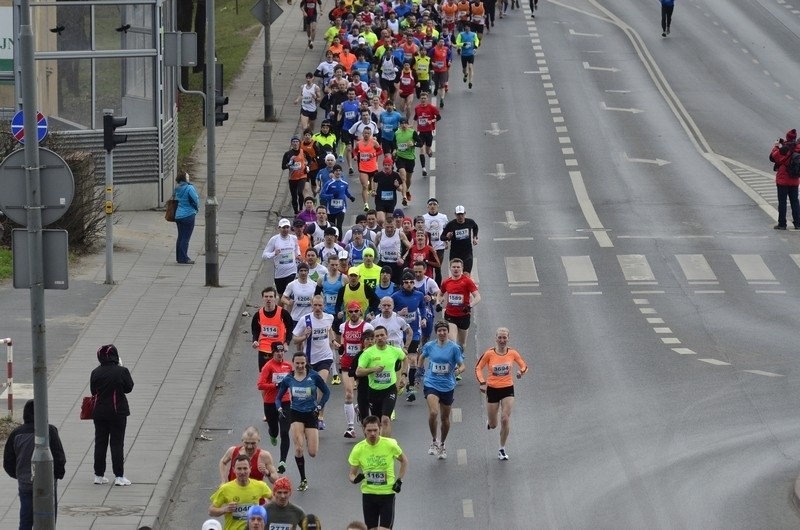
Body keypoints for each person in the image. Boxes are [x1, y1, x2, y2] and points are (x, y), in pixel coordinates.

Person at [4, 399, 66, 530]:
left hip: (25, 482)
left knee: (25, 519)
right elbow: (59, 456)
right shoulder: (50, 431)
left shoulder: (17, 433)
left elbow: (8, 461)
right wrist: (58, 475)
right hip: (47, 482)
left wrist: (19, 475)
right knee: (48, 517)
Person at [275, 352, 331, 491]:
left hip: (311, 414)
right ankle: (303, 479)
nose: (300, 366)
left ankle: (307, 434)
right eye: (297, 363)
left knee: (312, 452)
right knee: (299, 448)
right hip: (295, 414)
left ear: (306, 363)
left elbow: (327, 392)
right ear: (293, 364)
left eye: (302, 363)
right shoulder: (289, 378)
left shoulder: (313, 376)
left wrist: (319, 406)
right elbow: (278, 397)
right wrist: (279, 408)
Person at [475, 327, 528, 460]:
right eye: (500, 337)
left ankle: (502, 449)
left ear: (508, 339)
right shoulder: (489, 354)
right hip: (492, 389)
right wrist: (482, 382)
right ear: (496, 338)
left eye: (505, 338)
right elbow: (478, 368)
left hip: (507, 388)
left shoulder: (513, 353)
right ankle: (491, 420)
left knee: (505, 418)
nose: (502, 340)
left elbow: (524, 365)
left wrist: (521, 372)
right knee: (493, 425)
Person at [348, 415, 408, 530]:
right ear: (364, 430)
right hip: (368, 495)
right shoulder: (358, 449)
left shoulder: (390, 444)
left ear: (380, 429)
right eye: (369, 430)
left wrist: (399, 480)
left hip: (387, 495)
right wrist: (354, 480)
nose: (372, 433)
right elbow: (351, 474)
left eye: (375, 430)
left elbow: (404, 461)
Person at [420, 321, 465, 459]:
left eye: (444, 330)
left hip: (447, 385)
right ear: (436, 332)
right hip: (431, 383)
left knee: (445, 418)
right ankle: (434, 441)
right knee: (433, 412)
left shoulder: (454, 348)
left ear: (447, 332)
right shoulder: (430, 346)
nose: (442, 333)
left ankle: (443, 444)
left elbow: (462, 365)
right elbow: (422, 356)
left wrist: (458, 371)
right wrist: (419, 370)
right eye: (439, 331)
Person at [91, 344, 134, 486]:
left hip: (99, 413)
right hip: (117, 412)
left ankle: (98, 475)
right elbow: (128, 388)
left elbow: (93, 391)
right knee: (116, 444)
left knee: (100, 443)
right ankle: (119, 476)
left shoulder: (95, 372)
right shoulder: (121, 371)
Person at [292, 295, 336, 429]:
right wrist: (305, 336)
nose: (317, 308)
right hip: (309, 358)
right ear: (311, 305)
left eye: (320, 305)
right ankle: (309, 413)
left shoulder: (329, 317)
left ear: (324, 305)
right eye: (315, 305)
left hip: (325, 357)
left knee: (320, 384)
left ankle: (320, 417)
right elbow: (295, 339)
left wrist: (333, 341)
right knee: (311, 390)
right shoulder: (305, 320)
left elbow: (330, 330)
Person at [356, 326, 408, 436]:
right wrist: (373, 369)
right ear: (374, 338)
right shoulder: (368, 353)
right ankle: (379, 443)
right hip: (374, 391)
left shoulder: (394, 351)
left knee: (385, 419)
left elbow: (404, 358)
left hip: (390, 389)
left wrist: (404, 375)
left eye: (382, 335)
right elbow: (358, 372)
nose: (380, 338)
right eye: (377, 336)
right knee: (378, 421)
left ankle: (387, 446)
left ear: (387, 336)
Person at [335, 302, 375, 437]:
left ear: (360, 312)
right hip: (347, 363)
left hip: (363, 364)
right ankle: (351, 427)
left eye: (355, 311)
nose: (353, 314)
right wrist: (340, 348)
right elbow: (343, 342)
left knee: (365, 394)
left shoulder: (366, 326)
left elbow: (371, 341)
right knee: (348, 394)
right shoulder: (343, 326)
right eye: (350, 311)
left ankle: (359, 407)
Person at [208, 454, 272, 529]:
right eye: (239, 469)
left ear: (250, 469)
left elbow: (274, 499)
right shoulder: (225, 488)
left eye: (245, 468)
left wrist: (265, 508)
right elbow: (211, 511)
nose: (242, 472)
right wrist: (225, 509)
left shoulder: (260, 486)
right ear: (234, 469)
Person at [257, 343, 293, 473]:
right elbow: (260, 385)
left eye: (282, 352)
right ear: (273, 353)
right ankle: (272, 434)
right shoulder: (268, 366)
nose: (280, 354)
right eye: (277, 352)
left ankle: (282, 461)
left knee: (284, 432)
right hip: (270, 402)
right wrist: (276, 385)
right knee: (274, 430)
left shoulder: (288, 366)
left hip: (285, 401)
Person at [391, 272, 426, 402]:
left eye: (411, 282)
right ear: (402, 284)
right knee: (401, 360)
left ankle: (410, 389)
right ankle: (398, 382)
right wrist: (398, 313)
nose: (409, 284)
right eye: (406, 282)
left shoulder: (419, 295)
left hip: (414, 332)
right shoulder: (396, 296)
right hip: (399, 334)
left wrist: (424, 318)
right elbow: (384, 310)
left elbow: (423, 307)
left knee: (412, 360)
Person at [438, 258, 480, 354]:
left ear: (462, 268)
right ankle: (455, 365)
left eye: (458, 267)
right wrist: (438, 302)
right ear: (450, 268)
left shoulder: (467, 281)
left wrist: (470, 306)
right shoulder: (446, 282)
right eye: (454, 267)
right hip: (450, 315)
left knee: (461, 344)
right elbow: (440, 294)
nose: (456, 269)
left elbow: (477, 297)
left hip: (464, 316)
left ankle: (460, 358)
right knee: (452, 342)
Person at [262, 219, 302, 297]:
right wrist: (274, 253)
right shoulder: (274, 239)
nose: (286, 230)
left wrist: (298, 255)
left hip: (292, 271)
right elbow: (264, 255)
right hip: (279, 274)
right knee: (281, 296)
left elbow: (297, 248)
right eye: (283, 228)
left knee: (289, 295)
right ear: (279, 228)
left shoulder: (293, 238)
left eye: (287, 227)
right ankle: (281, 309)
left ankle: (289, 309)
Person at [770, 129, 800, 230]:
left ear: (787, 137)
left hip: (783, 179)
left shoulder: (784, 149)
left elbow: (773, 158)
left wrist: (776, 146)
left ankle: (782, 224)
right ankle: (798, 223)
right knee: (795, 202)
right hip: (795, 179)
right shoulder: (798, 148)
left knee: (782, 202)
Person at [281, 262, 322, 334]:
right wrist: (288, 302)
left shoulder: (313, 284)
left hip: (309, 316)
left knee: (307, 339)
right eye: (301, 271)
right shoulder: (292, 284)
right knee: (298, 341)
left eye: (305, 271)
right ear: (298, 272)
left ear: (308, 272)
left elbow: (320, 297)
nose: (303, 273)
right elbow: (283, 298)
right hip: (296, 317)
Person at [441, 205, 479, 274]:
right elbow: (442, 237)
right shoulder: (451, 224)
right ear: (455, 214)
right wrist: (447, 238)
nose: (460, 216)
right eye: (458, 214)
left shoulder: (470, 222)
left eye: (462, 214)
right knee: (455, 274)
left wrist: (475, 237)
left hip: (467, 253)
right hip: (455, 253)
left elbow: (475, 227)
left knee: (466, 274)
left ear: (465, 214)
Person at [370, 157, 406, 225]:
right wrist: (373, 191)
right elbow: (374, 182)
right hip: (380, 200)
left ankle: (385, 233)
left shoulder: (395, 175)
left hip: (391, 201)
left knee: (389, 222)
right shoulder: (378, 175)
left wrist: (397, 186)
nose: (387, 167)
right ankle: (381, 230)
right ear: (383, 165)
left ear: (391, 166)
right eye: (385, 165)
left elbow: (400, 189)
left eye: (388, 165)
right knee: (381, 220)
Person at [174, 172, 200, 264]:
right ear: (185, 178)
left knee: (180, 236)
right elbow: (195, 200)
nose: (189, 178)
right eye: (187, 177)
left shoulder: (177, 188)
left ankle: (179, 257)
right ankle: (184, 258)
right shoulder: (189, 188)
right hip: (188, 215)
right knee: (186, 237)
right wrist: (196, 209)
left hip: (178, 215)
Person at [412, 93, 441, 177]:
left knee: (427, 150)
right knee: (421, 149)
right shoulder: (417, 108)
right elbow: (415, 117)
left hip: (429, 131)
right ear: (420, 99)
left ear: (427, 99)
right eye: (422, 98)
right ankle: (423, 169)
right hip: (421, 132)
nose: (423, 100)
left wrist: (431, 121)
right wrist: (412, 125)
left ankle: (429, 151)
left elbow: (439, 117)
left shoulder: (431, 108)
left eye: (424, 98)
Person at [423, 198, 448, 285]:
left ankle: (437, 288)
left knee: (437, 267)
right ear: (427, 207)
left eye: (434, 205)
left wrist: (447, 241)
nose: (432, 207)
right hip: (428, 246)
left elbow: (446, 230)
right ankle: (429, 286)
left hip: (439, 246)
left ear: (438, 207)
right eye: (430, 205)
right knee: (427, 268)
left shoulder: (443, 217)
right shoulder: (424, 218)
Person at [282, 136, 310, 215]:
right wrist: (289, 164)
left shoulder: (303, 152)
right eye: (293, 142)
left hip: (302, 176)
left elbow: (310, 159)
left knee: (300, 192)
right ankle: (296, 212)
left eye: (297, 142)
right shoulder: (287, 154)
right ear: (291, 144)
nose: (295, 143)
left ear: (299, 143)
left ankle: (301, 209)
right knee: (294, 195)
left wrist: (307, 166)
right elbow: (283, 167)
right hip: (292, 178)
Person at [455, 25, 479, 89]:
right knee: (464, 69)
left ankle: (470, 82)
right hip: (464, 54)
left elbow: (477, 40)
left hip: (471, 54)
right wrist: (463, 44)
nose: (467, 28)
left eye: (468, 27)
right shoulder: (461, 34)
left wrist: (475, 46)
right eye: (466, 27)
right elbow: (457, 42)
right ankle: (465, 74)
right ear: (464, 28)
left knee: (470, 67)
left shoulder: (473, 34)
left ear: (470, 28)